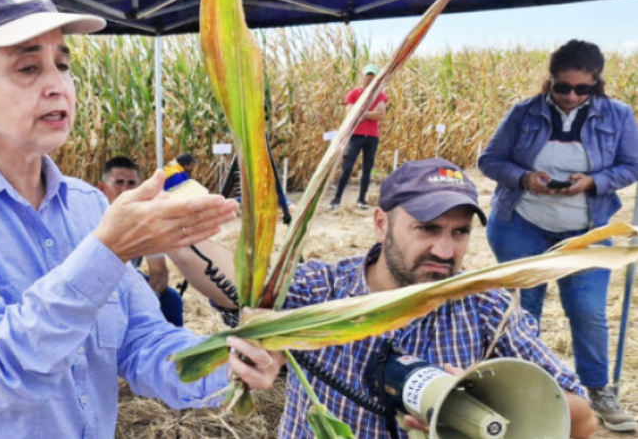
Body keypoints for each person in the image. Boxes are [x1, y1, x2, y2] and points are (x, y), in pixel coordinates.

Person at [0, 0, 284, 438]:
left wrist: (228, 362)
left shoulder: (88, 205)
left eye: (63, 64)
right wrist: (107, 251)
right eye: (28, 67)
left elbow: (141, 341)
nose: (56, 85)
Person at [169, 158, 595, 439]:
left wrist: (484, 397)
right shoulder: (321, 290)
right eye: (427, 228)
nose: (446, 252)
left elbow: (580, 418)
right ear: (380, 224)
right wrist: (167, 222)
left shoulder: (486, 308)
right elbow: (226, 279)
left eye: (459, 232)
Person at [479, 39, 638, 432]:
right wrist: (524, 177)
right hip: (522, 224)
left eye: (582, 89)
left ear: (596, 84)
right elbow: (490, 160)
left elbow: (631, 165)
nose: (570, 96)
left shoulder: (618, 115)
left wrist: (593, 182)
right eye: (562, 87)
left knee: (587, 311)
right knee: (522, 312)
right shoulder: (523, 113)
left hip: (586, 230)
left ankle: (599, 392)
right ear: (549, 81)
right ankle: (523, 390)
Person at [99, 156, 184, 326]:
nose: (125, 189)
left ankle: (173, 351)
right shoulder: (89, 216)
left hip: (131, 286)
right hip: (96, 287)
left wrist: (145, 304)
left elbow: (159, 273)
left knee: (171, 300)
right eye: (119, 182)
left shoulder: (144, 221)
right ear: (102, 188)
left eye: (131, 184)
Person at [328, 64, 388, 211]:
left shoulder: (380, 95)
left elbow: (380, 115)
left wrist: (361, 112)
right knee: (347, 167)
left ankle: (361, 199)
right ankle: (337, 198)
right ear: (362, 76)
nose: (369, 78)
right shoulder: (354, 93)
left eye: (372, 76)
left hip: (372, 137)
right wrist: (368, 113)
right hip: (355, 135)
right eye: (367, 75)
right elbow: (350, 114)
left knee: (367, 169)